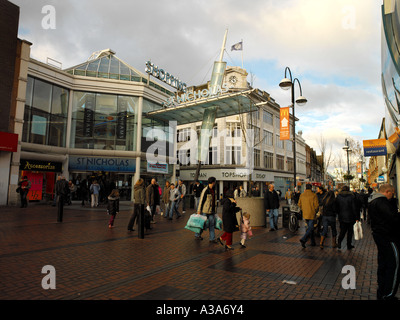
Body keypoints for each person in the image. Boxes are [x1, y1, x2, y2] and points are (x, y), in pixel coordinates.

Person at [368, 183, 400, 300]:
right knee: (394, 264)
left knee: (383, 263)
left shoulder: (373, 201)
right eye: (392, 193)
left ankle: (382, 290)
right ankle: (389, 293)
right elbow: (393, 218)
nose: (393, 196)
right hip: (388, 237)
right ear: (388, 192)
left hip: (379, 236)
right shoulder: (382, 203)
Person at [335, 185, 359, 250]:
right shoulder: (352, 196)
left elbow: (336, 207)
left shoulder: (338, 196)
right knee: (350, 232)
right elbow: (354, 207)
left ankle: (339, 242)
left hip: (342, 216)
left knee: (342, 231)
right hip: (351, 216)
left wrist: (338, 213)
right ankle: (349, 245)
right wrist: (357, 217)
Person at [195, 176, 218, 242]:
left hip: (212, 211)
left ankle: (212, 238)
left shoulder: (214, 190)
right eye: (215, 182)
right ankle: (197, 234)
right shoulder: (205, 190)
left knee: (212, 224)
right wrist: (199, 210)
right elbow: (201, 201)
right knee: (202, 224)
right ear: (213, 182)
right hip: (205, 211)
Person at [298, 184, 319, 248]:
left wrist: (303, 209)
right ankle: (304, 239)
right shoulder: (313, 195)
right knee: (311, 228)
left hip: (305, 214)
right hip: (312, 213)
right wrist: (315, 211)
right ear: (311, 188)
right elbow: (316, 205)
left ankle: (313, 242)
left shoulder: (302, 195)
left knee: (310, 227)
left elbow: (299, 204)